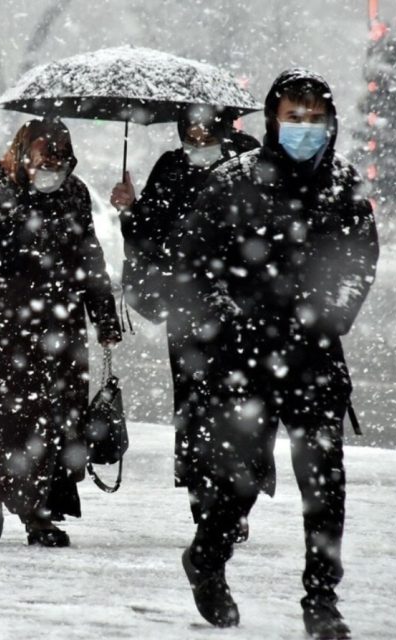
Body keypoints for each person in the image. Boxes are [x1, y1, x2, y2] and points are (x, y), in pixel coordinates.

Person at [168, 69, 378, 639]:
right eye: (294, 117)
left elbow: (358, 265)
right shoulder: (232, 180)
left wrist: (328, 316)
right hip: (243, 359)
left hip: (315, 358)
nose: (304, 128)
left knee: (324, 485)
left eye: (314, 118)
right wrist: (229, 322)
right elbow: (192, 263)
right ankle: (207, 558)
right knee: (239, 480)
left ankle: (321, 600)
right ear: (273, 120)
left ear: (329, 122)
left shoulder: (343, 186)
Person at [0, 119, 122, 547]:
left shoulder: (74, 193)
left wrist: (104, 315)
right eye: (44, 156)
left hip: (58, 326)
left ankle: (40, 514)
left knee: (55, 419)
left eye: (60, 158)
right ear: (23, 152)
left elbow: (88, 255)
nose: (51, 165)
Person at [110, 105, 259, 528]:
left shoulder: (249, 161)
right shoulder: (172, 167)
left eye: (203, 127)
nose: (195, 136)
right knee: (195, 405)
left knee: (240, 406)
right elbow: (146, 235)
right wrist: (129, 208)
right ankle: (203, 493)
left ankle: (236, 495)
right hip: (189, 309)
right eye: (188, 129)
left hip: (242, 309)